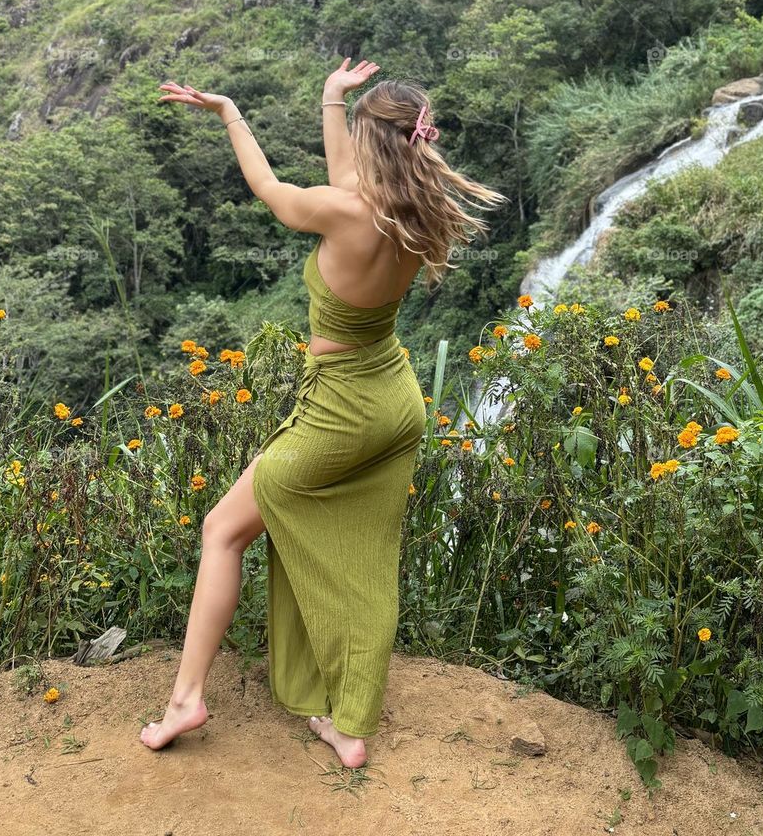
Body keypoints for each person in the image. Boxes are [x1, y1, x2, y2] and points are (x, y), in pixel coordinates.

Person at [141, 58, 508, 768]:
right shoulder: (412, 209)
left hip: (340, 411)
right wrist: (331, 100)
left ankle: (187, 698)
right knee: (365, 558)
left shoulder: (346, 212)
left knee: (222, 530)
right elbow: (347, 176)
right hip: (393, 399)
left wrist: (229, 114)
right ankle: (348, 723)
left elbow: (271, 189)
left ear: (372, 142)